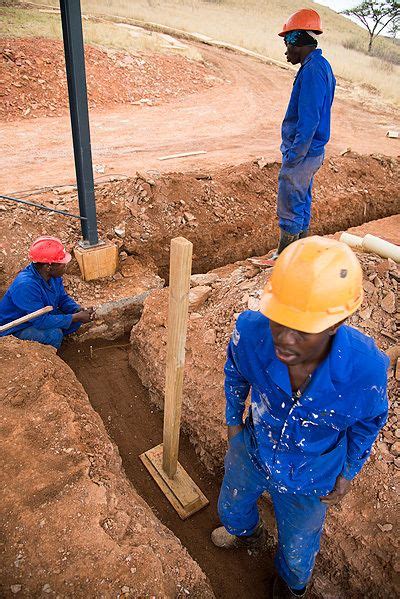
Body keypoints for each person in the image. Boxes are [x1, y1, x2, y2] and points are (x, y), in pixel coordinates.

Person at [212, 236, 388, 598]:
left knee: (298, 546)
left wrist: (347, 472)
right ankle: (246, 532)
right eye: (280, 321)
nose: (285, 339)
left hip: (311, 474)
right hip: (254, 446)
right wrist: (233, 425)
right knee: (231, 505)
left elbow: (368, 422)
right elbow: (236, 372)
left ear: (336, 324)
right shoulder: (250, 332)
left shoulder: (365, 369)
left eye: (302, 330)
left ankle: (290, 587)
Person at [273, 9, 336, 259]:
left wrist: (294, 155)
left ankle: (285, 257)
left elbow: (309, 120)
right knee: (302, 198)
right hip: (311, 151)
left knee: (290, 200)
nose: (286, 50)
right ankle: (299, 253)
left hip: (304, 152)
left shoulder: (312, 70)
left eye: (287, 43)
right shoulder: (319, 66)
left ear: (297, 41)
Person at [0, 236, 93, 349]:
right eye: (61, 263)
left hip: (39, 317)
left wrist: (77, 310)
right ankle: (49, 359)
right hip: (16, 328)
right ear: (48, 267)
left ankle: (49, 343)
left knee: (74, 321)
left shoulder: (53, 276)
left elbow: (62, 299)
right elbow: (40, 321)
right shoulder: (26, 285)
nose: (65, 266)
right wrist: (75, 317)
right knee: (54, 335)